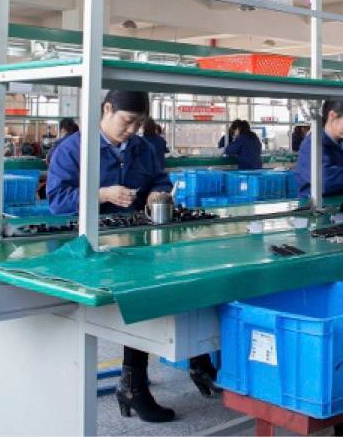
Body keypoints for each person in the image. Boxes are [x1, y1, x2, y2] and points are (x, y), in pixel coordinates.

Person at [46, 90, 217, 423]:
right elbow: (57, 201)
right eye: (127, 122)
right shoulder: (73, 148)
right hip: (88, 247)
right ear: (107, 109)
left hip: (135, 240)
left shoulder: (143, 148)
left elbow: (159, 178)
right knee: (136, 301)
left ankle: (188, 363)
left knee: (173, 284)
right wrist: (101, 194)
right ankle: (134, 384)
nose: (132, 130)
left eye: (139, 124)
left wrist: (158, 192)